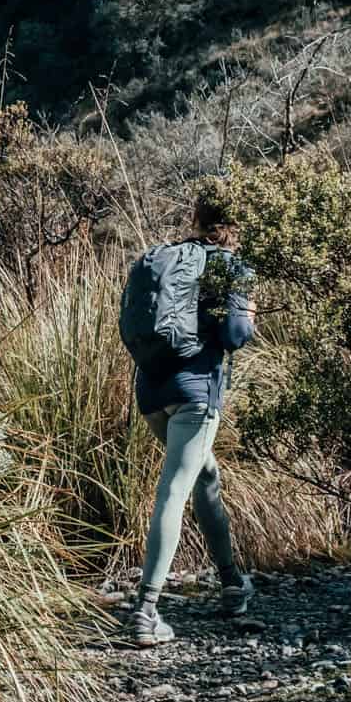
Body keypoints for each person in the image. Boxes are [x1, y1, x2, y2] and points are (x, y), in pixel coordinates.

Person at [122, 189, 256, 649]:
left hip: (151, 392)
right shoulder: (230, 265)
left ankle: (232, 584)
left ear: (196, 218)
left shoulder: (165, 256)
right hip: (196, 394)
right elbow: (236, 336)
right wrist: (248, 310)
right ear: (235, 224)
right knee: (175, 490)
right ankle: (146, 610)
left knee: (205, 476)